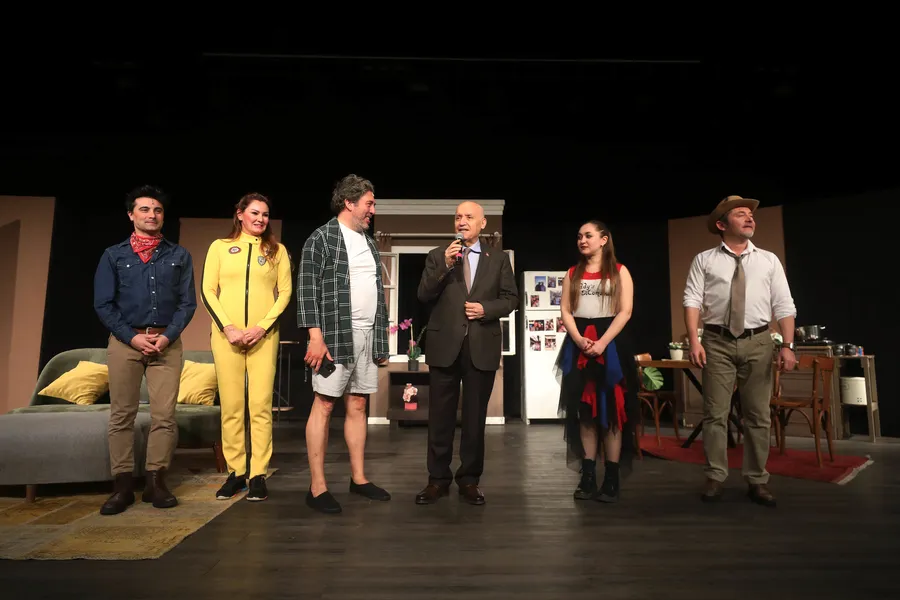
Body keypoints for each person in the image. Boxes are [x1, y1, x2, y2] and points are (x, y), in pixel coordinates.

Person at [683, 195, 797, 507]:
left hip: (759, 341)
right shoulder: (705, 260)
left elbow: (784, 304)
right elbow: (692, 299)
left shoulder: (768, 260)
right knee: (715, 413)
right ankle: (715, 476)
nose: (749, 218)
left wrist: (787, 346)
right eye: (740, 214)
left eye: (751, 214)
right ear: (722, 225)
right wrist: (694, 340)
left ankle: (757, 479)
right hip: (716, 341)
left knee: (758, 414)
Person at [93, 185, 197, 515]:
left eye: (157, 210)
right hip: (126, 342)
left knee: (164, 416)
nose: (152, 215)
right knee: (121, 415)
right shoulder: (114, 255)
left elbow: (187, 303)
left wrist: (167, 337)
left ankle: (156, 482)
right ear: (131, 215)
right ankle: (122, 486)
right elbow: (103, 304)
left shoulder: (179, 255)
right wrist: (132, 337)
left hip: (166, 343)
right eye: (144, 209)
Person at [296, 174, 392, 514]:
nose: (373, 210)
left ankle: (359, 478)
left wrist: (379, 340)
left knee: (358, 405)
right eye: (369, 203)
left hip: (367, 334)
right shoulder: (321, 238)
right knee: (324, 404)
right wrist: (315, 337)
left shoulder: (368, 241)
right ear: (349, 203)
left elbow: (376, 293)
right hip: (335, 335)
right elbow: (307, 290)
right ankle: (317, 487)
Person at [415, 201, 518, 506]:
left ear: (483, 223)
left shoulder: (498, 259)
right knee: (440, 418)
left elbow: (510, 299)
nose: (462, 221)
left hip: (481, 345)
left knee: (474, 419)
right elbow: (423, 294)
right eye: (458, 217)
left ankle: (470, 479)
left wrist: (486, 309)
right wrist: (446, 265)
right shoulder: (438, 256)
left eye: (469, 217)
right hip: (444, 346)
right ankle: (437, 479)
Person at [201, 193, 292, 502]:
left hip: (262, 337)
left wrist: (261, 327)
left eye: (265, 214)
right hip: (225, 337)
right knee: (231, 407)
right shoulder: (219, 247)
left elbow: (285, 293)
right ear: (239, 214)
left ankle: (258, 475)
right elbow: (208, 291)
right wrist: (228, 327)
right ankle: (236, 473)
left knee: (261, 406)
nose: (260, 219)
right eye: (254, 213)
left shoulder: (277, 251)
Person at [554, 220, 639, 503]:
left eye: (588, 235)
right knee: (585, 411)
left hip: (610, 343)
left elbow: (625, 311)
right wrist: (579, 339)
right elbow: (566, 310)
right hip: (580, 343)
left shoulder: (619, 271)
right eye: (579, 236)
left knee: (613, 409)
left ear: (604, 240)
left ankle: (611, 478)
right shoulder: (572, 273)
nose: (582, 240)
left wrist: (602, 342)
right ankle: (588, 475)